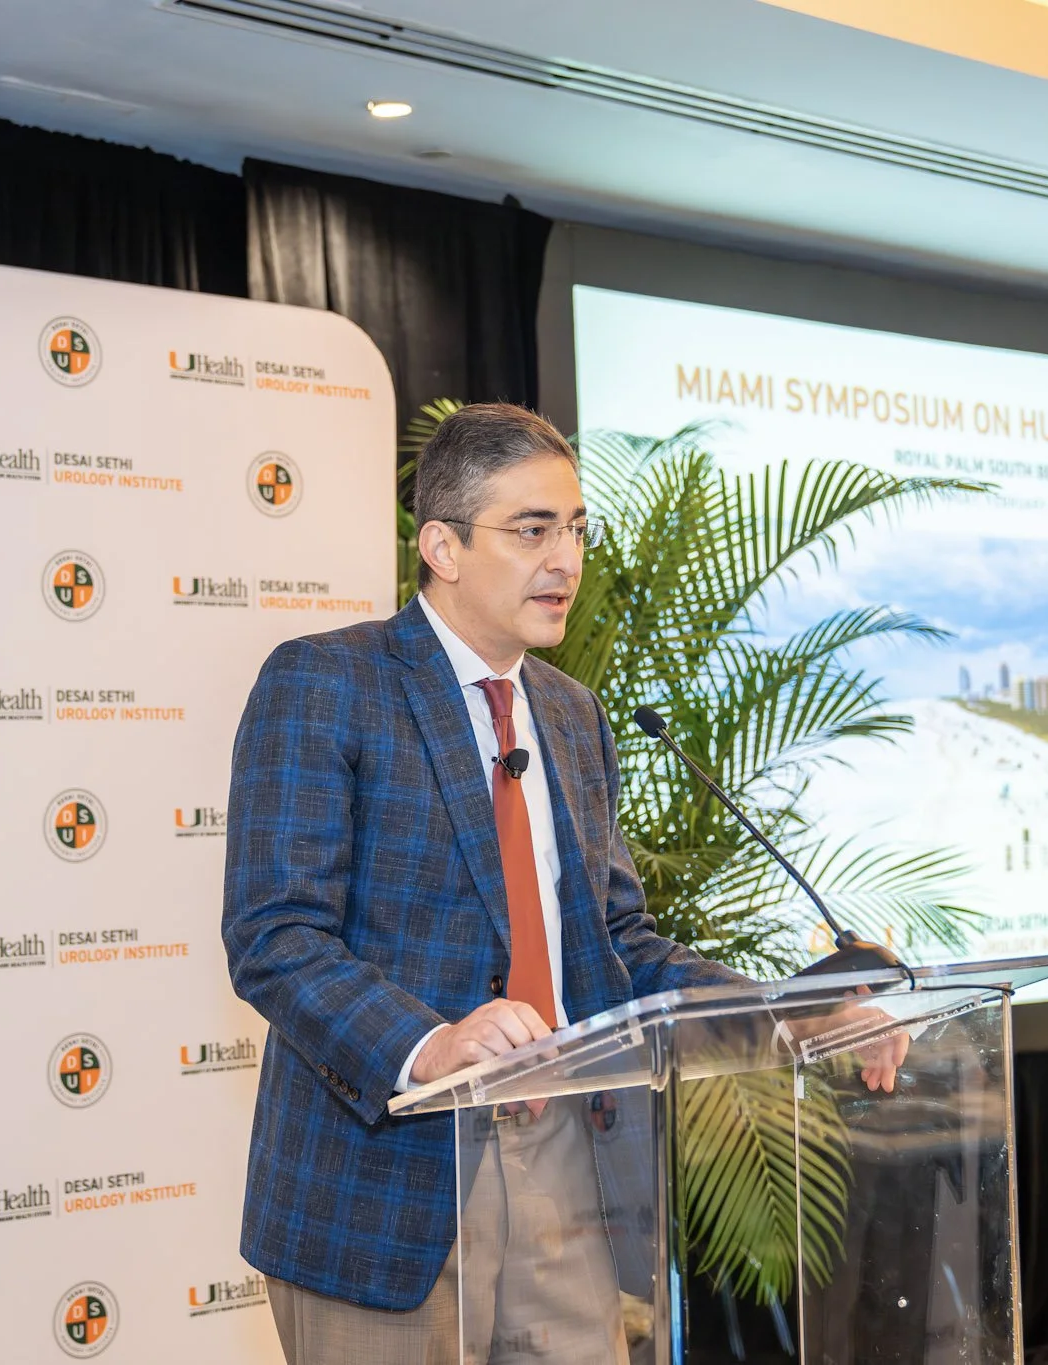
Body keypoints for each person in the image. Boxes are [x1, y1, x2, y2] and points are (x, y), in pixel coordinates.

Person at [222, 403, 902, 1364]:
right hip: (387, 1175)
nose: (565, 560)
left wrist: (795, 1012)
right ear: (443, 548)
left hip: (564, 1163)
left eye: (576, 529)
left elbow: (618, 945)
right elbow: (276, 936)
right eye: (532, 530)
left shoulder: (572, 715)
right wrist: (432, 1042)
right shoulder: (329, 683)